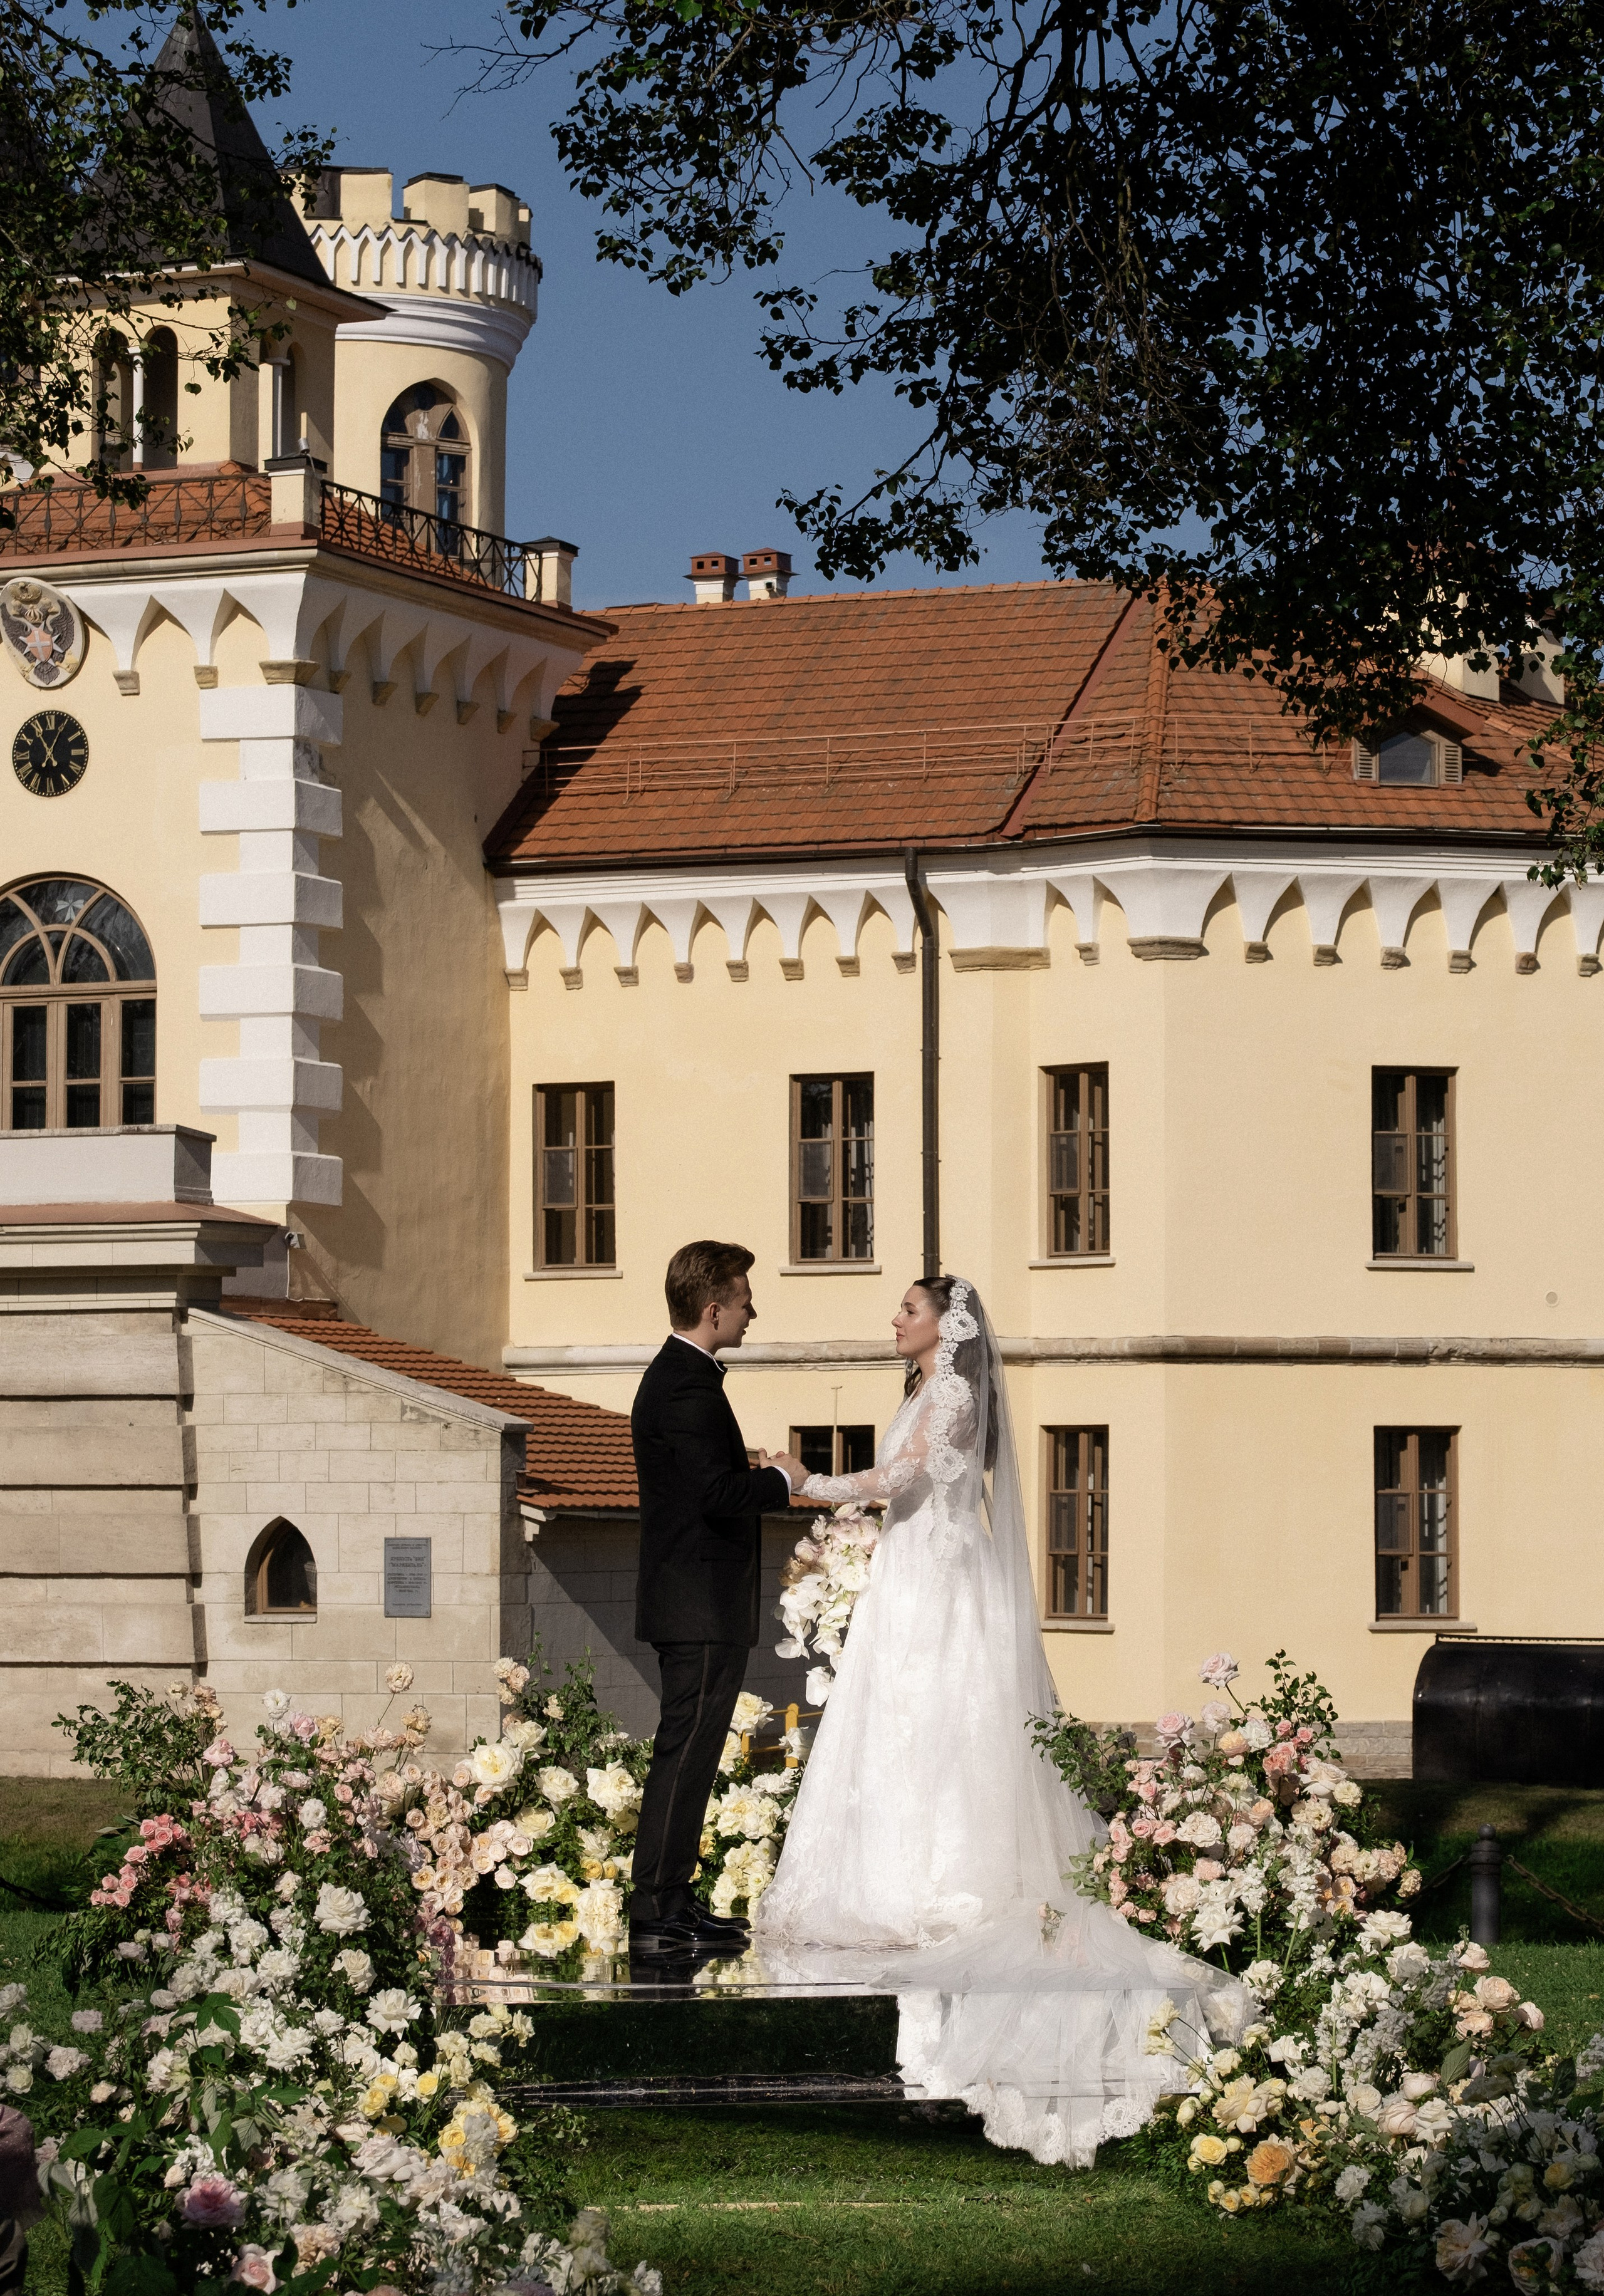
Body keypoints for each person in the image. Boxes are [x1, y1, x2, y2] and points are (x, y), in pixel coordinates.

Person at [755, 1273, 1242, 2164]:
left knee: (942, 1733)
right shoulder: (930, 1389)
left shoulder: (949, 1392)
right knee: (906, 1735)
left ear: (948, 1324)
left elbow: (905, 1476)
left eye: (909, 1308)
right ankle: (900, 1880)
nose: (895, 1319)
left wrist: (808, 1480)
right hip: (914, 1575)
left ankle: (941, 1886)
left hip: (937, 1588)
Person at [628, 1240, 806, 1956]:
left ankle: (672, 1900)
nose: (750, 1310)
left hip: (696, 1602)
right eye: (742, 1299)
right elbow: (716, 1494)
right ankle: (655, 1914)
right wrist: (782, 1479)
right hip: (698, 1605)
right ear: (712, 1308)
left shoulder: (682, 1379)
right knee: (685, 1752)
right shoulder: (689, 1387)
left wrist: (749, 1464)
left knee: (694, 1754)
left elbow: (703, 1475)